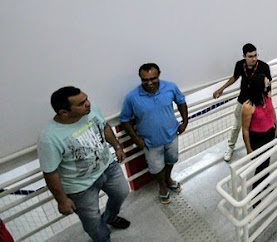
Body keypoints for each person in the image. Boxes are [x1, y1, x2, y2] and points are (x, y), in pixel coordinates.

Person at [38, 87, 130, 242]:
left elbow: (104, 126)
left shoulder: (91, 109)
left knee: (121, 192)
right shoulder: (49, 138)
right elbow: (50, 172)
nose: (88, 104)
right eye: (81, 103)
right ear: (64, 112)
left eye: (86, 99)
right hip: (80, 187)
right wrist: (62, 201)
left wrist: (117, 146)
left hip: (108, 168)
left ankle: (110, 217)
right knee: (93, 222)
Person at [120, 63, 188, 204]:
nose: (149, 83)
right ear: (140, 79)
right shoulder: (132, 97)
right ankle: (162, 186)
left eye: (153, 78)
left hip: (172, 136)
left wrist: (185, 122)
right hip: (150, 142)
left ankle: (168, 179)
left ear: (159, 75)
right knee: (156, 167)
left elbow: (181, 102)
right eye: (145, 80)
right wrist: (136, 139)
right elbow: (125, 119)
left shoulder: (170, 87)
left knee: (172, 159)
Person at [213, 43, 272, 162]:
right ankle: (231, 147)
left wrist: (267, 101)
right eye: (250, 56)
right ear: (244, 56)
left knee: (255, 128)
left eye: (255, 55)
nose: (254, 59)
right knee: (237, 127)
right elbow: (234, 77)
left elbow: (268, 84)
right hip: (243, 100)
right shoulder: (240, 65)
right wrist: (221, 89)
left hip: (258, 102)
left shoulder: (263, 67)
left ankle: (255, 148)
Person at [241, 74, 277, 190]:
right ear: (259, 85)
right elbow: (245, 129)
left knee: (267, 161)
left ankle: (265, 182)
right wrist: (248, 149)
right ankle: (256, 192)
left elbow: (272, 111)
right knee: (261, 165)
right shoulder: (248, 106)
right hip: (257, 139)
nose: (268, 81)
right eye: (266, 80)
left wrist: (276, 127)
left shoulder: (267, 95)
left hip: (269, 133)